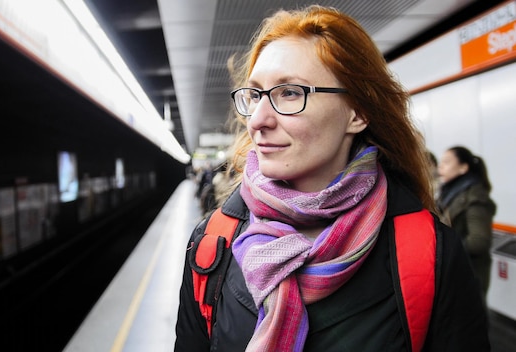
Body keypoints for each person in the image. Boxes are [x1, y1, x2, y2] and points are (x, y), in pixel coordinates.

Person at [174, 5, 490, 352]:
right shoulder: (212, 244)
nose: (258, 120)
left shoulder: (429, 255)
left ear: (358, 112)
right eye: (255, 95)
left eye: (290, 93)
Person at [437, 145, 496, 300]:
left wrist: (442, 249)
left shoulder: (475, 196)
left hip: (468, 276)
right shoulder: (449, 193)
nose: (440, 166)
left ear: (463, 168)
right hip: (454, 274)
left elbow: (478, 242)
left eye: (447, 162)